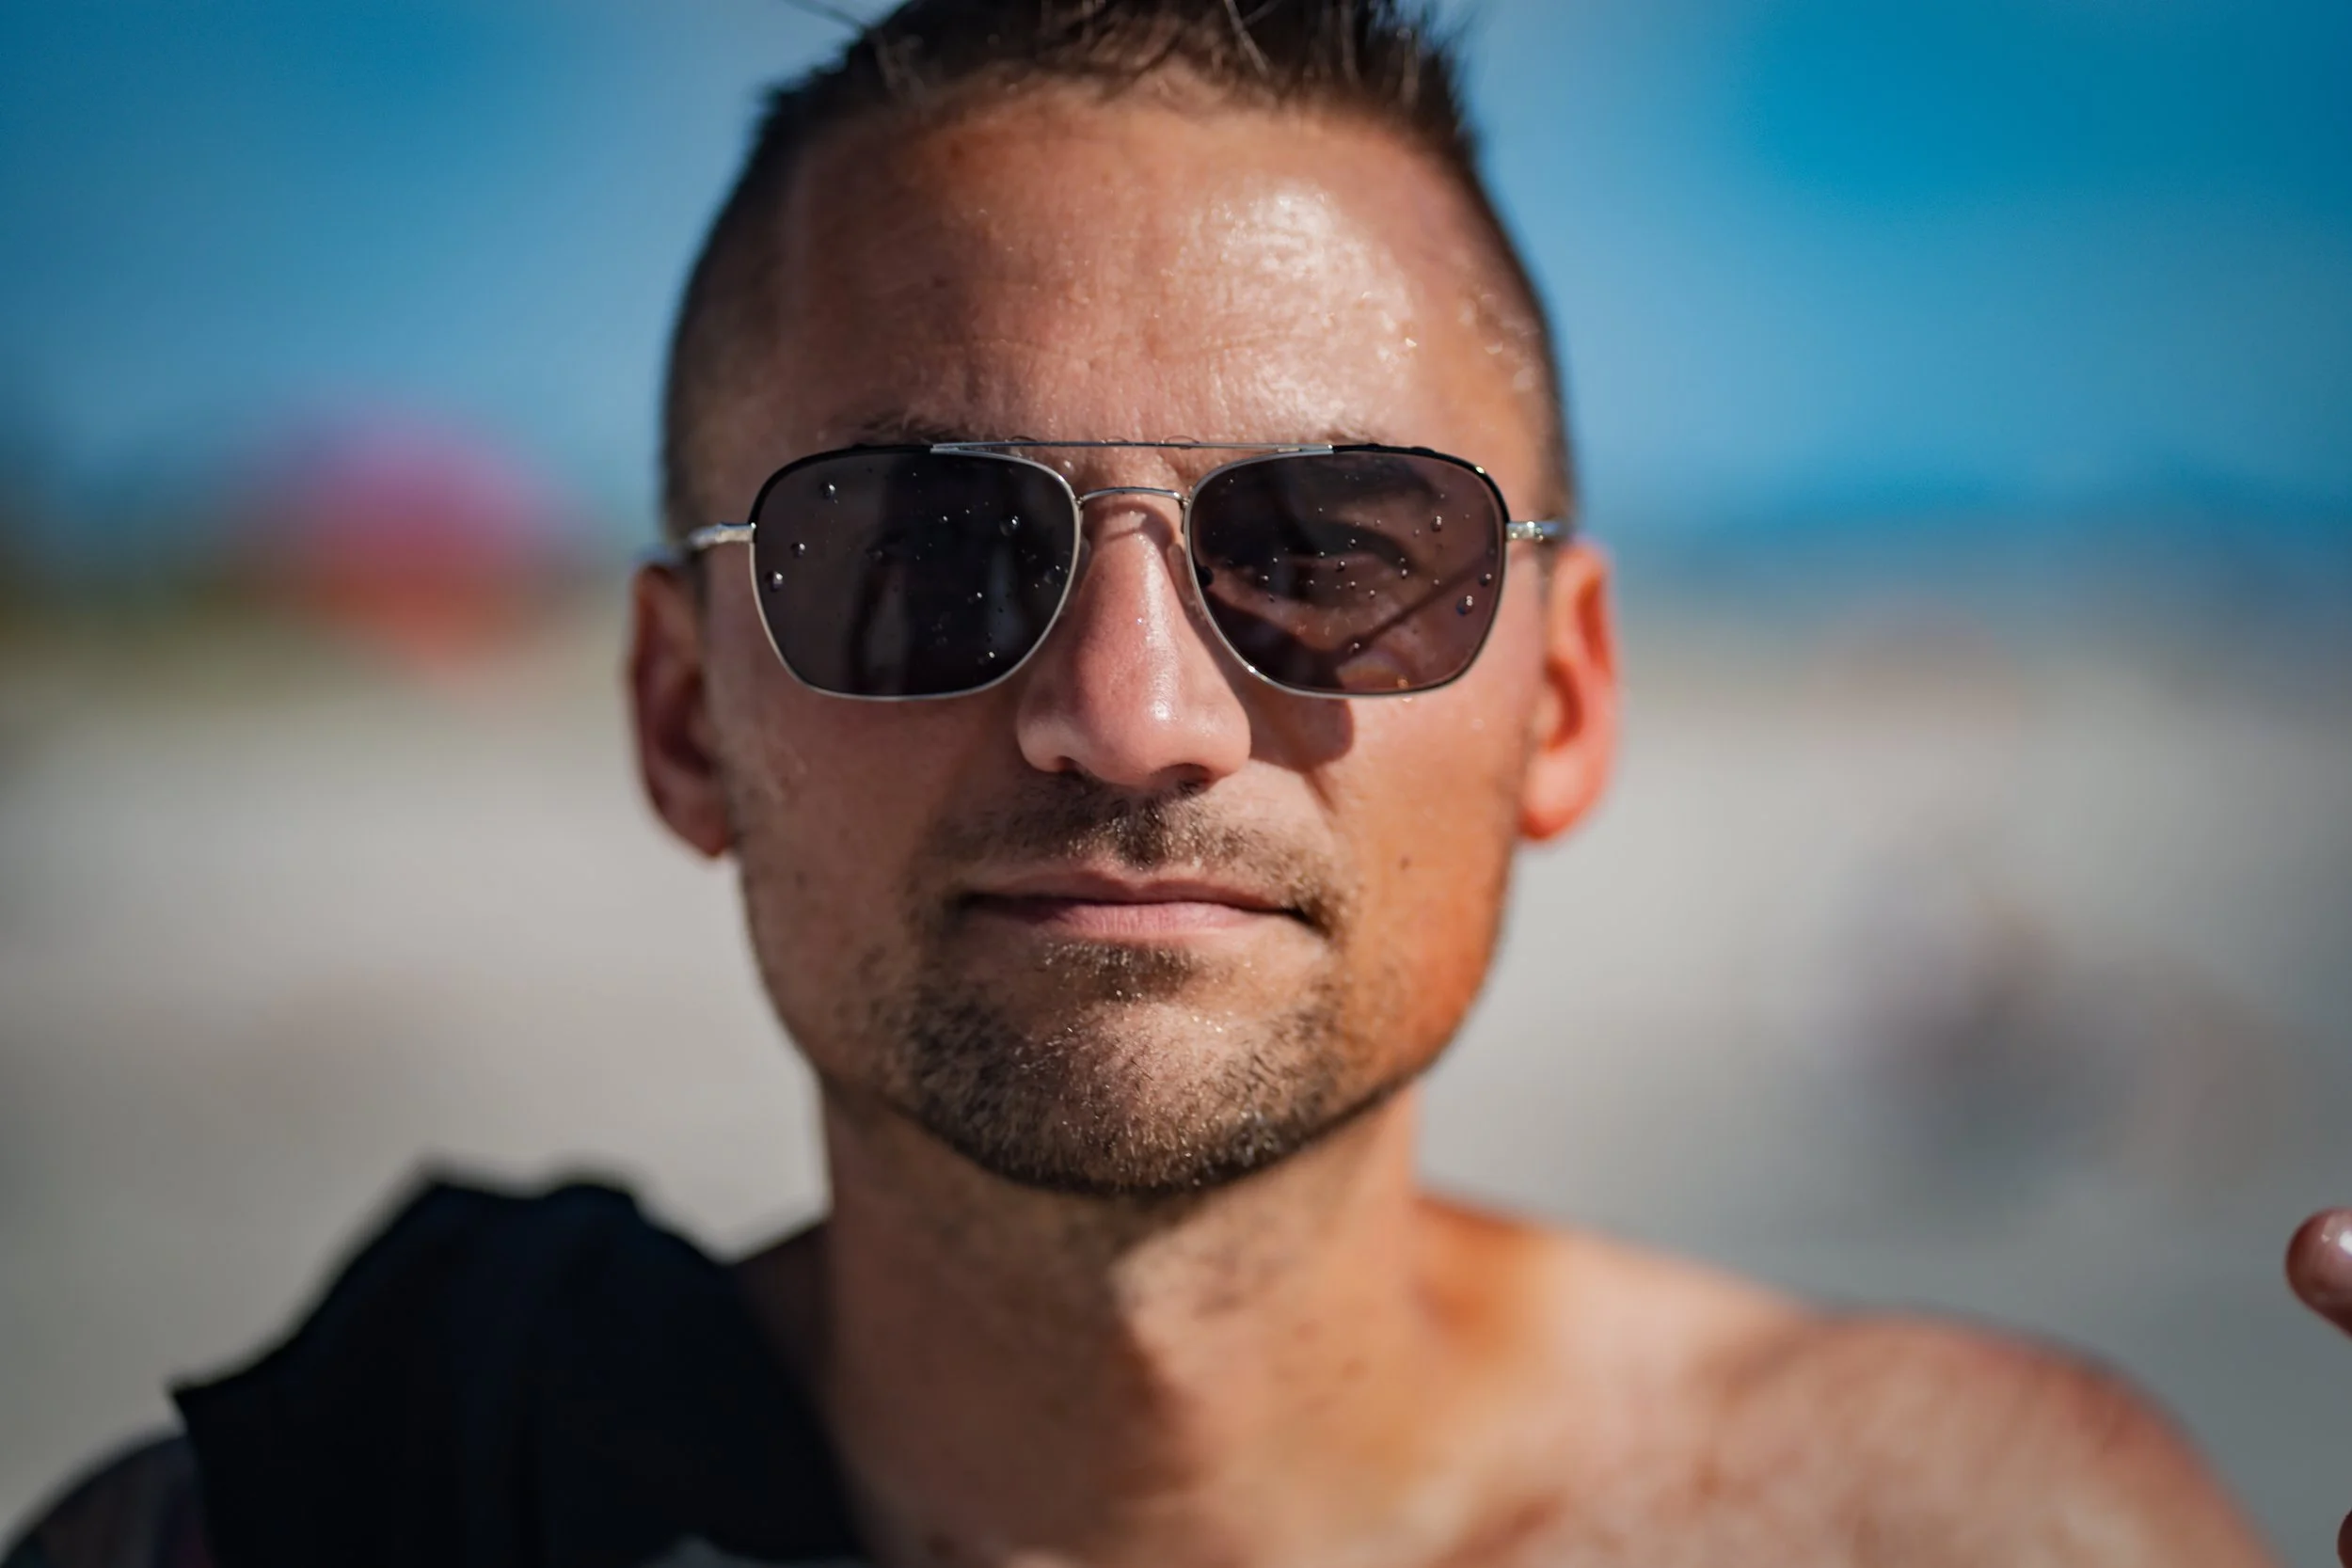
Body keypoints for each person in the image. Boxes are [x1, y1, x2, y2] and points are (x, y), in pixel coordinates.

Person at [8, 3, 2343, 1564]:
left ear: (1560, 697)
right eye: (925, 552)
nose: (1133, 715)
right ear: (681, 707)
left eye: (1329, 553)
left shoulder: (1971, 1527)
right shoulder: (309, 1519)